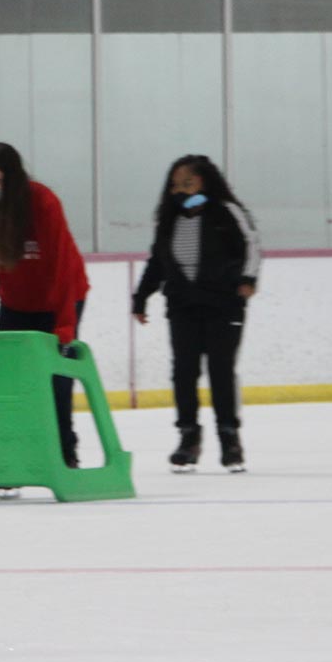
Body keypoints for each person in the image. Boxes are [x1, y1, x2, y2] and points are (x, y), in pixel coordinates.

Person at [0, 143, 91, 480]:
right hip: (15, 303)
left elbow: (60, 267)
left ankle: (65, 453)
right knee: (10, 384)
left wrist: (65, 326)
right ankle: (10, 455)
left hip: (62, 298)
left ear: (12, 181)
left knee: (56, 379)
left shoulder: (43, 203)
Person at [133, 155, 261, 474]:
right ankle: (188, 437)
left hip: (223, 304)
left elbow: (252, 246)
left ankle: (229, 438)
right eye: (176, 185)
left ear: (205, 181)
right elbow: (158, 261)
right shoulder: (169, 218)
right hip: (183, 305)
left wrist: (247, 280)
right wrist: (141, 297)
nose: (181, 190)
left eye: (188, 183)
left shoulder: (227, 212)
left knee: (221, 369)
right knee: (184, 372)